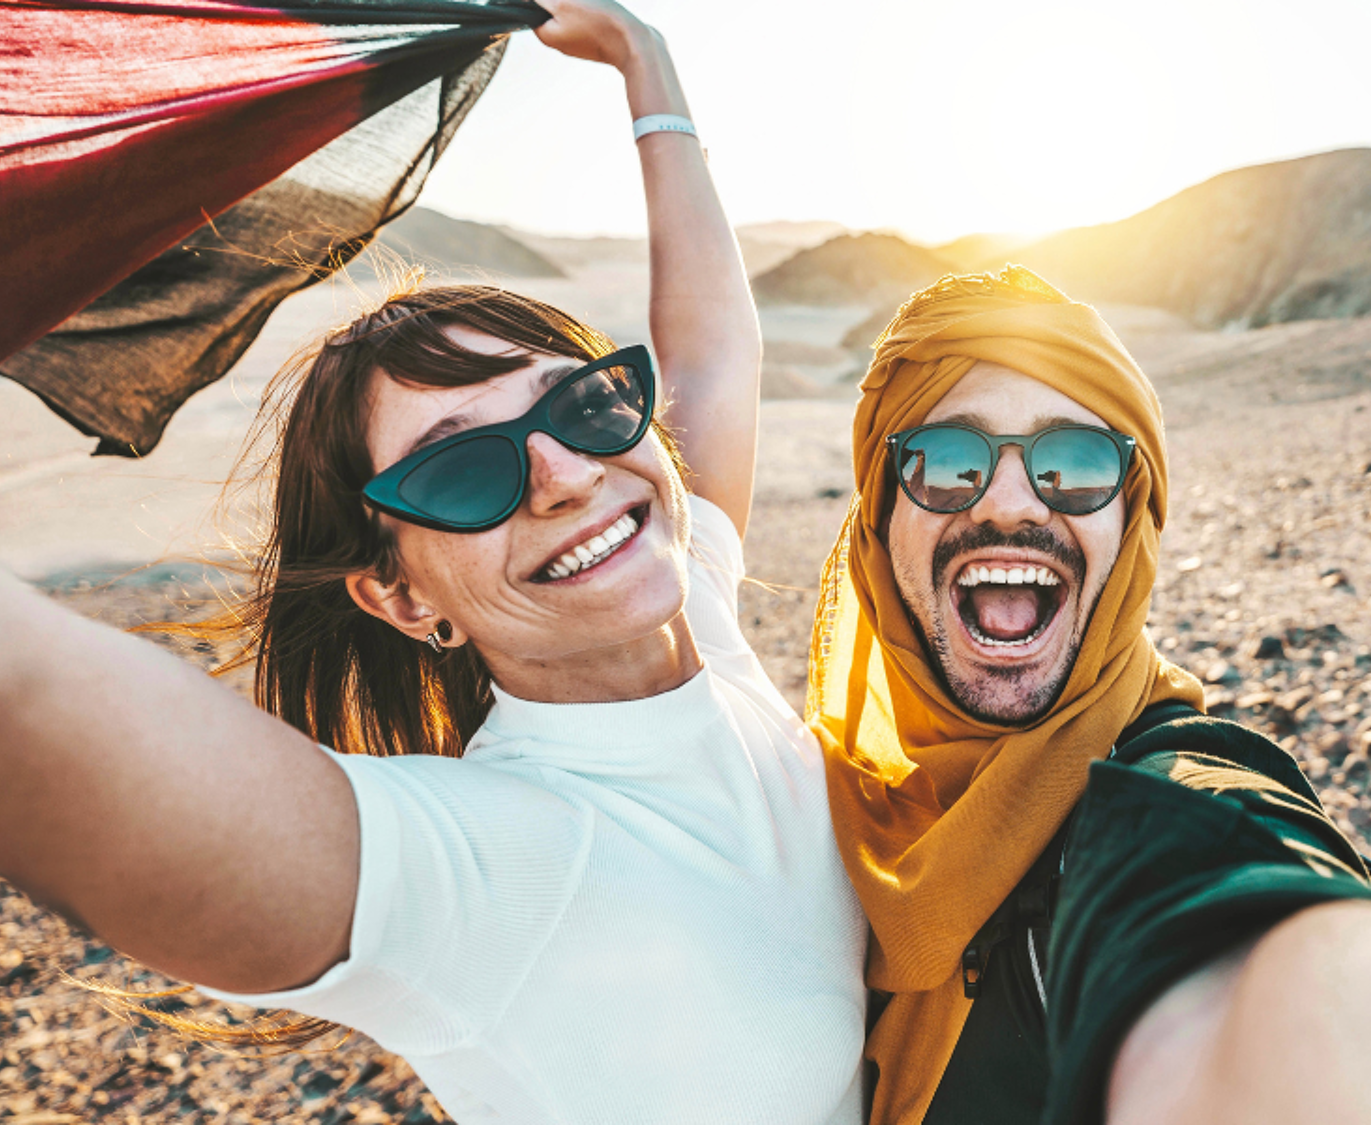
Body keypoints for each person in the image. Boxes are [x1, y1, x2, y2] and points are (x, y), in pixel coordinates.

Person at [0, 3, 868, 1122]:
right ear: (399, 594)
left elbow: (710, 353)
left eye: (584, 401)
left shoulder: (693, 606)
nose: (563, 472)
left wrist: (643, 64)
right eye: (463, 473)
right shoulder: (477, 869)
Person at [806, 266, 1371, 1125]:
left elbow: (1272, 950)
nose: (1008, 502)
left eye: (1074, 463)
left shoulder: (1168, 802)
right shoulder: (828, 810)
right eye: (948, 460)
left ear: (1132, 520)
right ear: (879, 519)